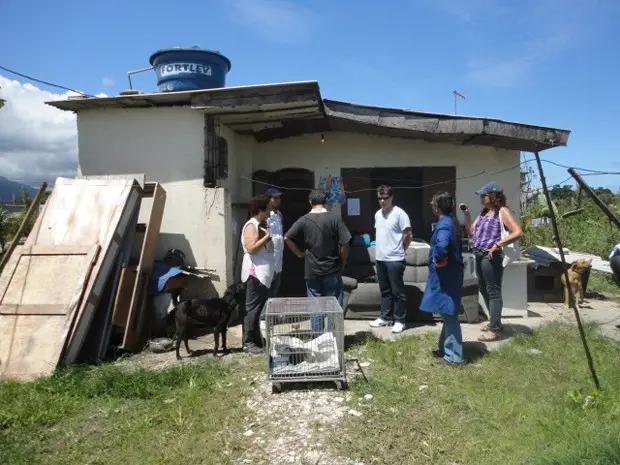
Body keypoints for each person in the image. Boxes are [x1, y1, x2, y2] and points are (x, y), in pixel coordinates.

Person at [461, 182, 523, 342]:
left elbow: (517, 232)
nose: (481, 198)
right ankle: (495, 322)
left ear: (493, 196)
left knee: (493, 291)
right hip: (479, 255)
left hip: (491, 257)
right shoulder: (484, 212)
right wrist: (467, 215)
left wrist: (497, 245)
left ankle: (494, 329)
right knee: (483, 289)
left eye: (484, 195)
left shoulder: (502, 211)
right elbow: (471, 231)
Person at [284, 189, 351, 334]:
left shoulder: (304, 220)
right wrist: (343, 262)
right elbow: (345, 243)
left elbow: (287, 238)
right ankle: (334, 339)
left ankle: (317, 340)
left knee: (315, 306)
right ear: (326, 201)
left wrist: (299, 254)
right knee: (334, 305)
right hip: (332, 269)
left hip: (312, 270)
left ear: (310, 202)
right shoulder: (334, 219)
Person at [420, 192, 465, 365]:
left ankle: (454, 357)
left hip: (446, 277)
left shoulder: (444, 225)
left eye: (432, 203)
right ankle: (444, 348)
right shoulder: (450, 221)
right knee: (447, 314)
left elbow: (442, 246)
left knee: (449, 314)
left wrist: (439, 260)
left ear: (436, 207)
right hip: (451, 275)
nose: (431, 206)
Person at [369, 185, 413, 334]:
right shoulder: (377, 214)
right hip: (380, 258)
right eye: (379, 198)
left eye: (385, 198)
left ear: (391, 197)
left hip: (395, 259)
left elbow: (408, 235)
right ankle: (385, 317)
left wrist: (402, 250)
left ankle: (400, 320)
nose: (382, 201)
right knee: (385, 291)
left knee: (397, 292)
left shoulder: (400, 214)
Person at [241, 195, 275, 354]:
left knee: (259, 307)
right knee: (252, 309)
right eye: (267, 209)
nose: (269, 212)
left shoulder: (261, 224)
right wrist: (267, 237)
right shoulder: (250, 226)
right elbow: (251, 248)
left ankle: (256, 339)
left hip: (264, 274)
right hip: (255, 273)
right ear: (260, 210)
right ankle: (248, 342)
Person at [265, 188, 284, 297]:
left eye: (279, 198)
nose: (278, 200)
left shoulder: (279, 214)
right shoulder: (266, 215)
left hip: (279, 262)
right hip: (269, 260)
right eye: (275, 198)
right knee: (266, 293)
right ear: (269, 199)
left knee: (274, 292)